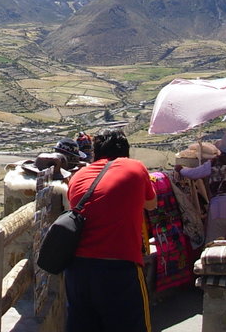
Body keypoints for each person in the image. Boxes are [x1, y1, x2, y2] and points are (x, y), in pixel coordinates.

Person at [65, 129, 158, 332]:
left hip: (77, 270)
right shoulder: (135, 167)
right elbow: (152, 204)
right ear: (126, 151)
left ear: (95, 152)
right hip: (119, 267)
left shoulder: (78, 176)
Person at [175, 131, 226, 243]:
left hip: (221, 207)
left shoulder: (215, 162)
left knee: (214, 242)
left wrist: (181, 170)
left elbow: (195, 173)